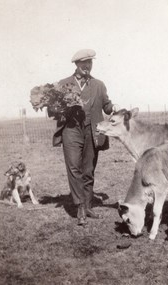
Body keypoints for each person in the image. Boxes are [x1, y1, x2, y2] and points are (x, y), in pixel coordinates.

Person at [48, 49, 119, 226]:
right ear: (76, 65)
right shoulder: (63, 84)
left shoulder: (99, 85)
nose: (87, 66)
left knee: (88, 169)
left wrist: (113, 107)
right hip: (71, 131)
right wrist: (56, 106)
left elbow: (106, 106)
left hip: (92, 130)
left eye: (90, 63)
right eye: (84, 63)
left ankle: (87, 205)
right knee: (74, 168)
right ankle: (79, 206)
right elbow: (51, 110)